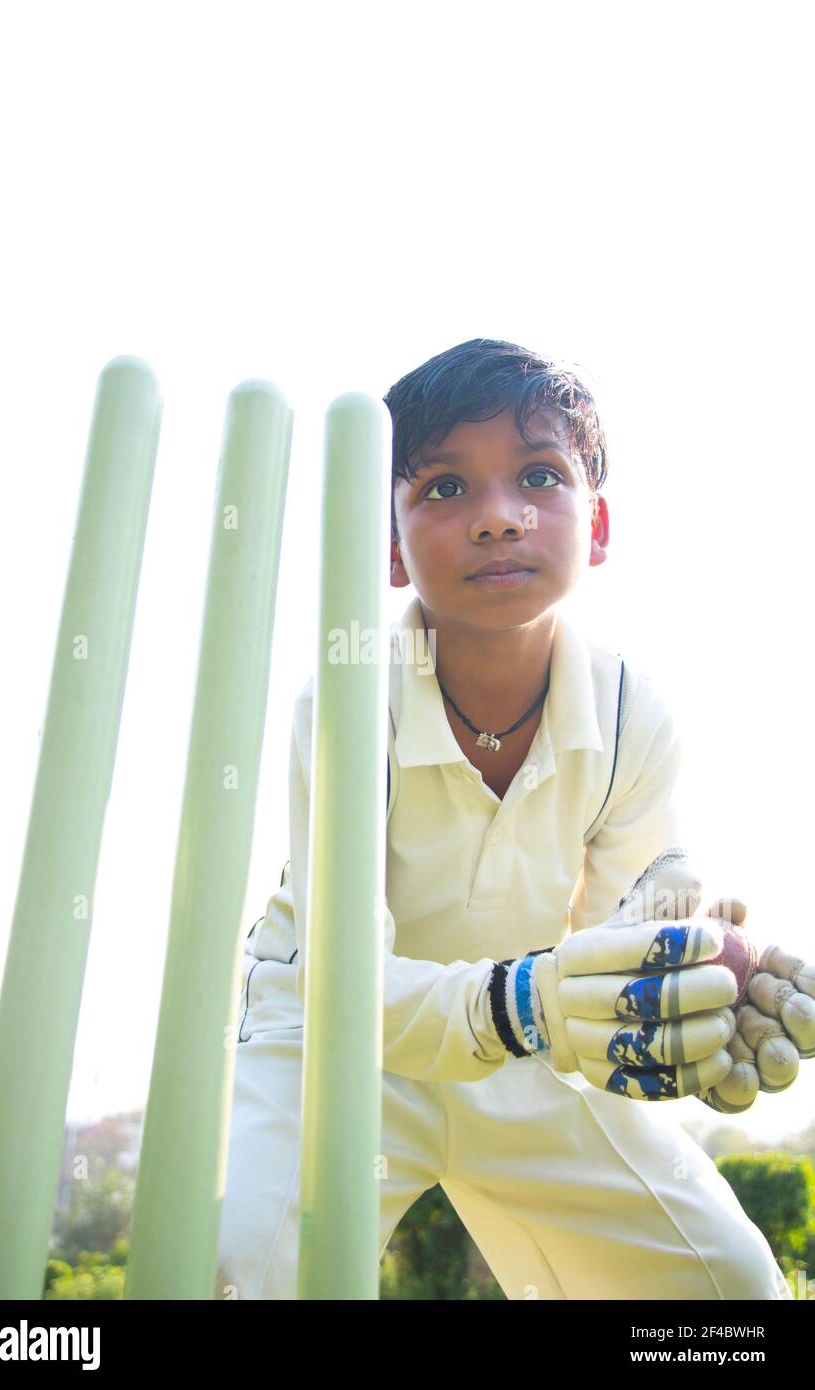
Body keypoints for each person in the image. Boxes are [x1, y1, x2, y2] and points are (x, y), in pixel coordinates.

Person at [217, 338, 801, 1300]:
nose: (498, 517)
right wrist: (532, 1000)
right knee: (231, 1274)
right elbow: (349, 981)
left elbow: (622, 937)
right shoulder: (347, 702)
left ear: (598, 522)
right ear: (392, 548)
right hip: (329, 1047)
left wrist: (692, 984)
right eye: (445, 488)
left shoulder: (632, 714)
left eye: (538, 475)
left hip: (531, 1048)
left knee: (731, 1291)